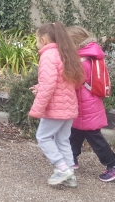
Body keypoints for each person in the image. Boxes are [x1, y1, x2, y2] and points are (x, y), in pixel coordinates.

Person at [29, 22, 84, 188]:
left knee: (43, 137)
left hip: (55, 108)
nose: (36, 43)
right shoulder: (66, 54)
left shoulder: (48, 56)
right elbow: (68, 82)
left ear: (44, 40)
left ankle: (62, 169)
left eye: (37, 40)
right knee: (62, 140)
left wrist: (36, 110)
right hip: (69, 107)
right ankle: (70, 176)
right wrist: (40, 87)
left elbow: (48, 86)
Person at [67, 26, 115, 182]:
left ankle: (113, 166)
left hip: (86, 106)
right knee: (75, 133)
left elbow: (75, 83)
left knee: (95, 139)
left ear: (74, 43)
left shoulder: (81, 61)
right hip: (89, 104)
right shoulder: (91, 56)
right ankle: (71, 158)